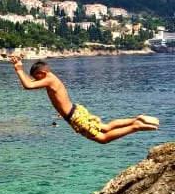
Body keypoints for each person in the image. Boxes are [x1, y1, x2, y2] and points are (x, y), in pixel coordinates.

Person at [9, 56, 159, 144]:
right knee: (105, 127)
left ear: (42, 73)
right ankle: (136, 119)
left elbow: (28, 85)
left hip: (74, 115)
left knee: (103, 138)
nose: (35, 81)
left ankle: (136, 126)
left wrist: (18, 69)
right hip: (77, 110)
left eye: (36, 77)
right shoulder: (51, 77)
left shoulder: (49, 80)